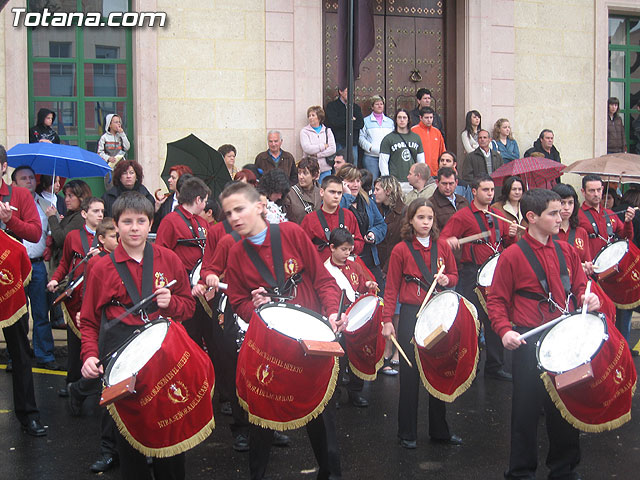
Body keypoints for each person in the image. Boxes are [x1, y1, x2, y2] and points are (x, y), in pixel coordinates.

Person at [221, 181, 345, 480]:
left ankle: (330, 473)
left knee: (320, 412)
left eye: (240, 209)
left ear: (260, 207)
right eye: (228, 214)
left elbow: (323, 280)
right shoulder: (236, 253)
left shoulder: (291, 233)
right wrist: (258, 309)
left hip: (307, 337)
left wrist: (331, 313)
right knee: (262, 417)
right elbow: (237, 301)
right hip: (268, 344)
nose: (234, 217)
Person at [79, 192, 196, 480]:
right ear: (115, 226)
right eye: (127, 221)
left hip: (163, 358)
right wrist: (89, 355)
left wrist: (174, 303)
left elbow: (189, 308)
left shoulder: (168, 259)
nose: (134, 228)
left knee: (169, 435)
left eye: (140, 221)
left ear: (150, 224)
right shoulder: (101, 268)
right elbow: (90, 321)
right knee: (129, 440)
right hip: (121, 358)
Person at [487, 188, 600, 480]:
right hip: (529, 340)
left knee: (565, 406)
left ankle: (564, 469)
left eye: (561, 209)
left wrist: (589, 297)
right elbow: (497, 299)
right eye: (553, 211)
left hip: (564, 336)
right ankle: (521, 471)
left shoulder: (566, 250)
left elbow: (579, 285)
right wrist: (504, 331)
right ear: (532, 217)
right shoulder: (512, 256)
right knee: (525, 409)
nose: (561, 214)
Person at [381, 198, 461, 449]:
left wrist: (447, 279)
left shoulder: (443, 247)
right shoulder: (401, 250)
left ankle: (440, 430)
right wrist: (386, 321)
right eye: (420, 218)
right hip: (411, 314)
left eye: (429, 218)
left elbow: (455, 276)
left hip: (437, 313)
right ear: (411, 220)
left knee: (439, 370)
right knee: (410, 372)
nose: (425, 223)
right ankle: (407, 432)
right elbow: (392, 286)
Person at [441, 175, 518, 381]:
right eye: (485, 190)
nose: (490, 194)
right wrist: (451, 241)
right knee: (472, 321)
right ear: (474, 192)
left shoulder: (497, 215)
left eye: (492, 190)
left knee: (495, 318)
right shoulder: (463, 216)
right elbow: (442, 241)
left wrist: (511, 235)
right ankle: (470, 368)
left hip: (495, 275)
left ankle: (495, 366)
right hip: (472, 273)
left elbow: (507, 246)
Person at [0, 146, 47, 437]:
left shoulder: (18, 196)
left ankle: (28, 414)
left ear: (3, 166)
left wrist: (9, 221)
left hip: (9, 281)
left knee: (19, 351)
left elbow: (34, 233)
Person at [66, 217, 119, 473]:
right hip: (107, 328)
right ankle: (108, 449)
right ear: (102, 238)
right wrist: (85, 313)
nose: (119, 240)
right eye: (114, 236)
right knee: (107, 385)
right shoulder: (98, 261)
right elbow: (90, 292)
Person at [47, 197, 104, 396]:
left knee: (97, 343)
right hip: (75, 297)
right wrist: (55, 279)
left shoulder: (108, 237)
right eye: (95, 211)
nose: (100, 215)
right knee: (74, 345)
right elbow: (64, 263)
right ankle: (72, 382)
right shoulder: (72, 236)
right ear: (84, 213)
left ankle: (96, 385)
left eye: (102, 211)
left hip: (96, 296)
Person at [11, 166, 59, 370]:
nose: (29, 181)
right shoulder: (9, 204)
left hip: (37, 264)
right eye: (23, 178)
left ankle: (45, 355)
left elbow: (51, 232)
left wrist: (55, 220)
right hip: (15, 266)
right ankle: (17, 356)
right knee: (17, 315)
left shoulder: (45, 204)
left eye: (31, 177)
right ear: (14, 183)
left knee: (41, 313)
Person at [578, 174, 635, 344]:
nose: (596, 194)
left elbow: (625, 239)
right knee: (601, 319)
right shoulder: (578, 216)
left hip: (614, 276)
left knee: (622, 316)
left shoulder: (609, 213)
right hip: (594, 277)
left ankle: (622, 348)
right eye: (591, 191)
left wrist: (628, 222)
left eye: (598, 190)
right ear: (583, 192)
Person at [324, 227, 377, 407]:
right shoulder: (325, 270)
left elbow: (360, 286)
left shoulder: (354, 265)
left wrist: (368, 283)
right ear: (332, 247)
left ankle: (355, 392)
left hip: (354, 315)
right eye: (343, 249)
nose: (347, 253)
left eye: (349, 249)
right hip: (337, 318)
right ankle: (336, 394)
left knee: (358, 354)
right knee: (339, 358)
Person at [337, 164, 387, 285]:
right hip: (348, 258)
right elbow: (336, 216)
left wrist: (373, 234)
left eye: (358, 181)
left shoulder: (367, 201)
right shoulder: (336, 200)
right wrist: (347, 196)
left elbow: (381, 224)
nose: (355, 185)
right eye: (350, 181)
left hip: (369, 257)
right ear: (342, 183)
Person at [300, 175, 364, 262]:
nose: (336, 196)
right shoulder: (310, 219)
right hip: (320, 268)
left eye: (339, 193)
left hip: (345, 268)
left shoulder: (348, 215)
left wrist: (350, 246)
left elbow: (360, 242)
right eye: (332, 192)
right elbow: (302, 247)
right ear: (322, 192)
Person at [46, 179, 93, 271]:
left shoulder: (80, 217)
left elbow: (61, 239)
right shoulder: (71, 214)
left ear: (81, 197)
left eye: (70, 196)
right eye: (66, 196)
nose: (66, 199)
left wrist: (52, 217)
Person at [378, 108, 425, 182]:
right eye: (399, 117)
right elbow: (383, 162)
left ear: (408, 120)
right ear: (396, 120)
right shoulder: (388, 139)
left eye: (404, 117)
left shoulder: (416, 138)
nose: (402, 120)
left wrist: (421, 178)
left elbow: (421, 161)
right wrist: (387, 180)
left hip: (412, 180)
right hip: (395, 180)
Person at [551, 183, 592, 265]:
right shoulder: (546, 232)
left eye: (570, 203)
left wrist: (588, 268)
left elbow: (587, 261)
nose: (566, 208)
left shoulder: (581, 232)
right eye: (562, 203)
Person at [324, 86, 364, 165]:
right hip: (338, 143)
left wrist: (342, 121)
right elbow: (334, 122)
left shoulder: (356, 108)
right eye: (347, 91)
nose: (349, 94)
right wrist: (350, 119)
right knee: (338, 167)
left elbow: (360, 124)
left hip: (353, 144)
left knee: (352, 169)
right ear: (340, 92)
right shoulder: (332, 106)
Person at [359, 95, 394, 181]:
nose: (379, 106)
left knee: (386, 180)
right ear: (372, 106)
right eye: (377, 104)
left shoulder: (389, 122)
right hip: (371, 157)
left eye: (381, 104)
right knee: (372, 181)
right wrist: (370, 148)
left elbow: (393, 137)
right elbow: (361, 137)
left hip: (387, 156)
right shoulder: (365, 121)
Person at [153, 164, 193, 233]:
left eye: (173, 178)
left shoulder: (193, 202)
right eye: (170, 177)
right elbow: (156, 226)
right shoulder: (166, 200)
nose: (169, 180)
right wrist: (156, 209)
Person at [301, 107, 337, 182]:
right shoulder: (304, 131)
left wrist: (318, 155)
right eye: (309, 116)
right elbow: (307, 148)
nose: (310, 118)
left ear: (319, 117)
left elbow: (332, 149)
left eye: (313, 115)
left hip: (325, 169)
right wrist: (323, 146)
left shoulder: (327, 131)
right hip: (309, 169)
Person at [283, 157, 322, 224]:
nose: (301, 177)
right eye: (299, 173)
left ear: (314, 175)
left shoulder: (321, 191)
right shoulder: (290, 194)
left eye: (305, 173)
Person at [429, 167, 469, 231]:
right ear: (437, 183)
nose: (447, 187)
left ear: (456, 183)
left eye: (451, 184)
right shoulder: (431, 204)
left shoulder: (463, 201)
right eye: (444, 184)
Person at [98, 113, 130, 189]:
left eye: (119, 122)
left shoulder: (120, 136)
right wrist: (108, 158)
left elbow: (127, 147)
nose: (118, 124)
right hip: (110, 167)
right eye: (116, 122)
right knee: (111, 187)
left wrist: (122, 134)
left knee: (122, 186)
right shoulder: (104, 137)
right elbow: (100, 152)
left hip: (121, 166)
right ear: (109, 124)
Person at [411, 107, 445, 176]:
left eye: (431, 117)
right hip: (418, 172)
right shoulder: (413, 131)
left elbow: (442, 151)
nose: (429, 120)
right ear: (420, 118)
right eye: (426, 118)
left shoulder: (437, 132)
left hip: (435, 172)